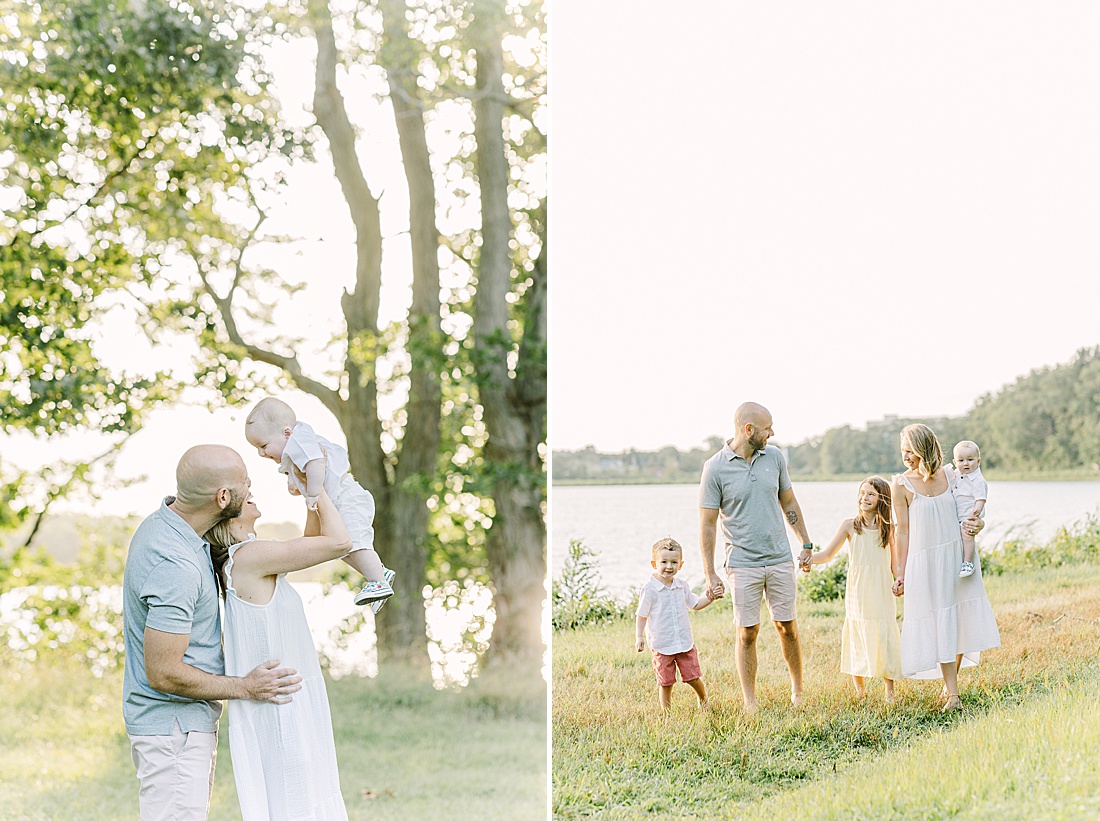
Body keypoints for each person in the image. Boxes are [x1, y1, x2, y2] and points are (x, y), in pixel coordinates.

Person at [122, 445, 304, 821]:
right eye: (244, 483)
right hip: (172, 731)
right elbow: (163, 672)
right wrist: (247, 687)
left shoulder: (170, 527)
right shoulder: (176, 564)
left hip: (178, 728)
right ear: (223, 497)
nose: (250, 486)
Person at [205, 487, 353, 820]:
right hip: (281, 711)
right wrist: (316, 485)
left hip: (291, 700)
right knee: (297, 806)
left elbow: (312, 542)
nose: (250, 490)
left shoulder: (247, 558)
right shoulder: (248, 557)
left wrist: (309, 496)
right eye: (241, 490)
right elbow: (339, 542)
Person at [699, 402, 814, 712]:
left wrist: (805, 542)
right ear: (748, 430)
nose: (772, 433)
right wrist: (710, 573)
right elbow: (708, 524)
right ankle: (750, 701)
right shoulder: (715, 468)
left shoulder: (774, 457)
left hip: (779, 558)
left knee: (786, 626)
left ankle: (798, 692)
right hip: (741, 563)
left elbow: (788, 501)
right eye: (767, 428)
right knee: (747, 632)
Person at [244, 397, 394, 611]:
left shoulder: (300, 440)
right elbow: (301, 475)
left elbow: (316, 462)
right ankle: (379, 571)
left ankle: (377, 582)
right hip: (338, 502)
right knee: (339, 547)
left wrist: (313, 492)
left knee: (354, 542)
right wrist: (297, 487)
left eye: (264, 446)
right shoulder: (292, 450)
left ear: (286, 433)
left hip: (348, 498)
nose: (261, 453)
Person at [891, 424, 1000, 711]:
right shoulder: (901, 484)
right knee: (939, 621)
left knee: (958, 619)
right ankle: (953, 694)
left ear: (924, 449)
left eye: (910, 451)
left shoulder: (951, 475)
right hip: (924, 562)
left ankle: (949, 688)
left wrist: (979, 523)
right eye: (902, 452)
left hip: (956, 556)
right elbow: (902, 532)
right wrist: (900, 573)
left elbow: (971, 506)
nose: (906, 457)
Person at [806, 476, 902, 703]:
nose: (864, 498)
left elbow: (895, 564)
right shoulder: (850, 525)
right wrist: (809, 560)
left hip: (881, 589)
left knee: (885, 633)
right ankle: (860, 691)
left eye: (871, 494)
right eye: (862, 493)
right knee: (857, 632)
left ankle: (890, 691)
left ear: (882, 499)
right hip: (858, 590)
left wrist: (900, 580)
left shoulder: (888, 528)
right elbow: (828, 554)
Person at [635, 537, 716, 710]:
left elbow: (695, 604)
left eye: (674, 562)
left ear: (680, 565)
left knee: (693, 677)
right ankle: (667, 713)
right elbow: (641, 615)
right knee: (665, 682)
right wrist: (639, 637)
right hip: (661, 643)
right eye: (664, 562)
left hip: (683, 642)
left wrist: (711, 597)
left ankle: (704, 701)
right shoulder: (649, 589)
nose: (669, 566)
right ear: (654, 563)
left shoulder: (682, 586)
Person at [951, 440, 988, 578]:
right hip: (958, 515)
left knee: (967, 535)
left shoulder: (977, 479)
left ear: (978, 461)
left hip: (969, 514)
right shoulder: (956, 475)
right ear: (955, 462)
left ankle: (968, 562)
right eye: (961, 460)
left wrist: (977, 509)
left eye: (970, 460)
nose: (965, 463)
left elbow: (981, 498)